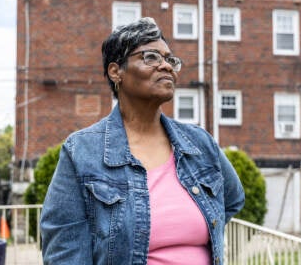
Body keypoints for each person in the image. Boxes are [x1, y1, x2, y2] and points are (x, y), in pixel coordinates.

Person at [40, 17, 245, 265]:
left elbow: (232, 198)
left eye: (170, 59)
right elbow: (65, 252)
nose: (166, 66)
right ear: (116, 71)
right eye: (151, 57)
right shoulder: (82, 151)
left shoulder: (200, 144)